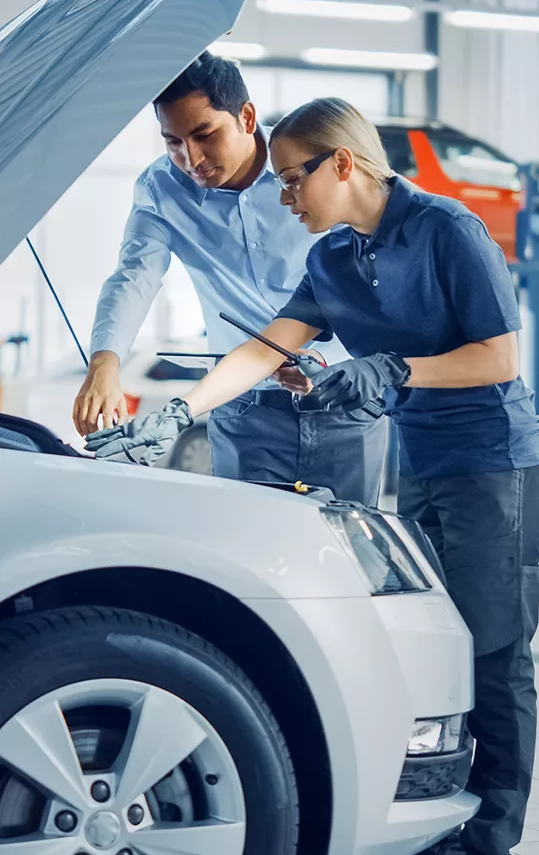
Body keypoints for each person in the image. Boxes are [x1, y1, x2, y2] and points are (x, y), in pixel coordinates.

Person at [87, 96, 539, 855]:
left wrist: (390, 369)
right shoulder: (333, 256)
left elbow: (499, 359)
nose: (284, 195)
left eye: (294, 180)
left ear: (343, 163)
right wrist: (181, 411)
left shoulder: (446, 229)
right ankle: (447, 813)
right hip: (420, 461)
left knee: (492, 651)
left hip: (494, 463)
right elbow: (267, 348)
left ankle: (489, 835)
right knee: (435, 642)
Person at [73, 58, 387, 503]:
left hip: (343, 396)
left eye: (205, 135)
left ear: (247, 117)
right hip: (243, 408)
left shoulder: (307, 171)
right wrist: (105, 362)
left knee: (353, 553)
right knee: (248, 546)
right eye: (173, 142)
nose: (192, 159)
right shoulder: (161, 188)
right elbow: (135, 275)